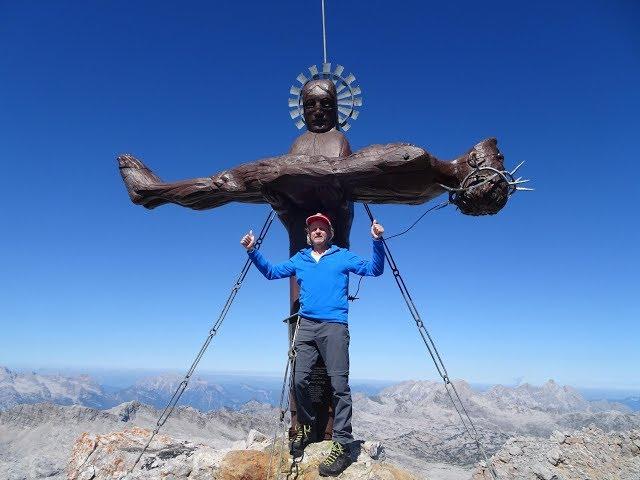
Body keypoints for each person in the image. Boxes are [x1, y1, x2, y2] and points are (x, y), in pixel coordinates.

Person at [240, 212, 385, 476]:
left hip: (334, 326)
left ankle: (341, 443)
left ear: (330, 233)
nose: (317, 231)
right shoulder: (301, 259)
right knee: (299, 380)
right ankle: (306, 428)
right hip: (305, 325)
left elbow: (375, 269)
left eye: (322, 228)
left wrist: (377, 241)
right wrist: (252, 250)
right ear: (309, 235)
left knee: (339, 386)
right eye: (313, 229)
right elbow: (272, 272)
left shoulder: (342, 256)